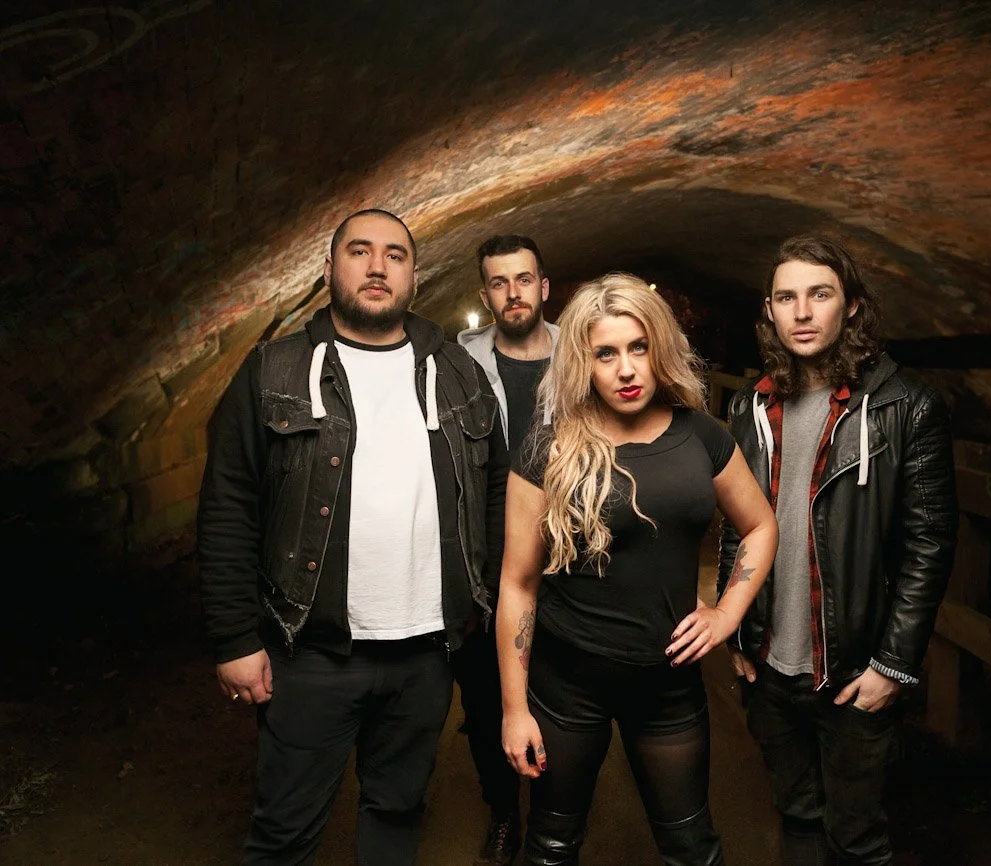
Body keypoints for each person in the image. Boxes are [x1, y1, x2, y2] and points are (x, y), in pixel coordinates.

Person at [197, 208, 507, 865]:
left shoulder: (457, 373)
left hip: (426, 652)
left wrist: (484, 604)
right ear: (331, 268)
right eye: (359, 251)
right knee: (285, 832)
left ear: (414, 275)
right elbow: (228, 504)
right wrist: (233, 638)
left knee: (396, 816)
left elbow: (496, 495)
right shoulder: (273, 371)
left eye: (394, 255)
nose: (376, 266)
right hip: (310, 651)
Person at [496, 274, 778, 866]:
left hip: (668, 687)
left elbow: (760, 525)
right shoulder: (549, 445)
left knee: (691, 848)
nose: (626, 369)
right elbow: (518, 585)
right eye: (606, 353)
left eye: (638, 347)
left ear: (660, 350)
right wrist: (515, 709)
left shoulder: (700, 435)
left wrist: (727, 612)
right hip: (566, 686)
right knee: (549, 848)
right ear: (584, 361)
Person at [719, 235, 957, 865]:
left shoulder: (907, 406)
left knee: (856, 840)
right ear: (769, 310)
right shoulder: (752, 403)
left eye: (818, 295)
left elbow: (929, 544)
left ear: (850, 305)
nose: (801, 312)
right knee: (796, 818)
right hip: (771, 665)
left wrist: (895, 665)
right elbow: (735, 526)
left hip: (853, 672)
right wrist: (738, 632)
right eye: (786, 297)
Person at [454, 234, 559, 865]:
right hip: (487, 563)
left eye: (524, 279)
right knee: (487, 695)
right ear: (486, 293)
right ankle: (502, 812)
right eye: (499, 282)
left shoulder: (583, 354)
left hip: (569, 562)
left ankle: (552, 819)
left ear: (545, 287)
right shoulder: (458, 364)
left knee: (556, 696)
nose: (513, 292)